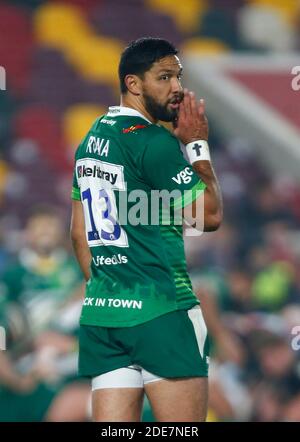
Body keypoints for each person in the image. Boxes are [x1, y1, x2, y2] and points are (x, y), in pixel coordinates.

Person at [70, 37, 223, 422]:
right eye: (164, 77)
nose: (177, 89)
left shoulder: (91, 140)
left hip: (104, 317)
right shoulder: (153, 142)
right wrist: (198, 145)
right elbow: (209, 216)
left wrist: (114, 290)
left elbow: (78, 235)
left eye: (179, 77)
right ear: (133, 84)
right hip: (163, 312)